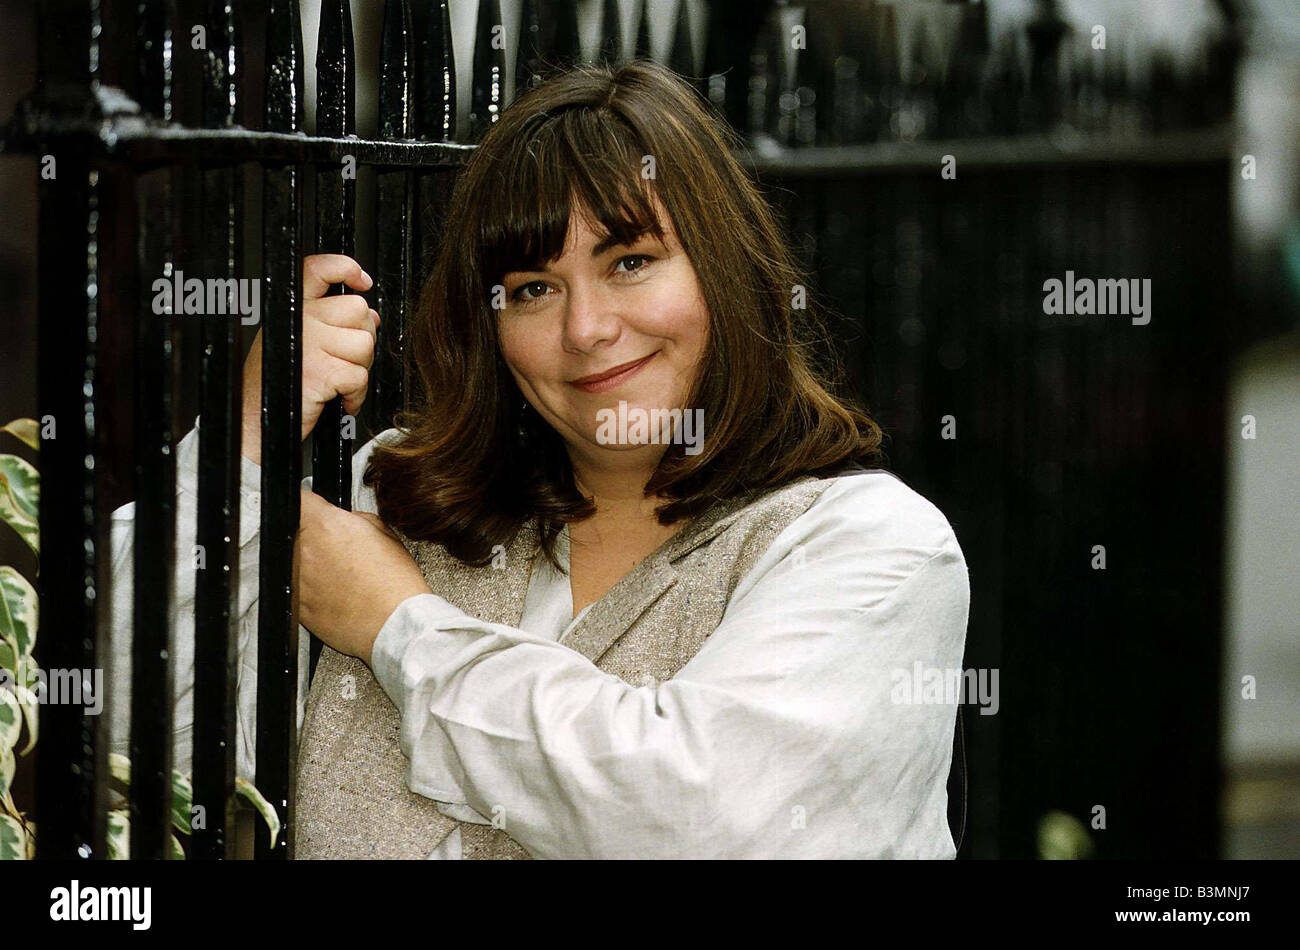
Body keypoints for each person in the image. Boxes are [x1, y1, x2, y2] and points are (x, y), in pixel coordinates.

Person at [108, 60, 969, 859]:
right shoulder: (397, 500)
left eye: (631, 261)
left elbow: (702, 821)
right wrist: (242, 453)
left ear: (727, 270)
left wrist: (403, 631)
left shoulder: (873, 551)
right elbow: (130, 739)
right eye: (532, 289)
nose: (585, 329)